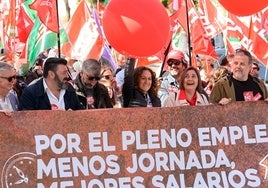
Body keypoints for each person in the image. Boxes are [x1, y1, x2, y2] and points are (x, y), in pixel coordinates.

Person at [19, 57, 84, 110]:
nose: (67, 76)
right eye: (64, 73)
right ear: (51, 74)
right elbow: (27, 120)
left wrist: (73, 115)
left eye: (67, 72)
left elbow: (79, 110)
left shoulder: (69, 88)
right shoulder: (30, 93)